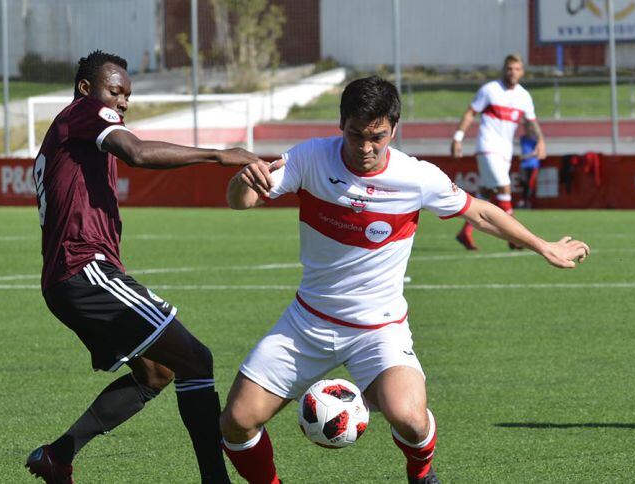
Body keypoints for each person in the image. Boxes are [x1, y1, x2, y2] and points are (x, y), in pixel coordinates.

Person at [221, 76, 589, 484]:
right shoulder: (311, 157)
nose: (365, 147)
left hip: (379, 331)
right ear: (341, 124)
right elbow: (244, 201)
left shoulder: (417, 177)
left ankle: (421, 474)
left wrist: (543, 246)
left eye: (376, 137)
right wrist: (242, 183)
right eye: (355, 135)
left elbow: (481, 212)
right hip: (307, 322)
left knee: (410, 419)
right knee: (236, 422)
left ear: (394, 130)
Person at [24, 50, 261, 484]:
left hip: (69, 279)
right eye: (115, 91)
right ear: (86, 89)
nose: (123, 101)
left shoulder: (70, 129)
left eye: (127, 95)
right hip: (85, 270)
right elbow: (136, 152)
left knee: (156, 372)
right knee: (197, 359)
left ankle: (58, 456)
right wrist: (219, 156)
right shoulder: (84, 112)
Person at [451, 54, 545, 251]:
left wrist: (541, 141)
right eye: (509, 68)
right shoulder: (490, 90)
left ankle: (465, 232)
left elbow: (531, 122)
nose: (513, 72)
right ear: (504, 69)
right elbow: (471, 112)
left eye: (517, 69)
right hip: (487, 147)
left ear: (522, 72)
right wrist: (458, 137)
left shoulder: (524, 96)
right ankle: (515, 237)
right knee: (504, 189)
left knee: (486, 192)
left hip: (505, 151)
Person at [515, 121, 545, 209]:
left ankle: (527, 202)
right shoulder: (523, 138)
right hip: (524, 165)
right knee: (522, 181)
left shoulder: (535, 139)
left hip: (533, 164)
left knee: (530, 184)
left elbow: (537, 151)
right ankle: (524, 201)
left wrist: (526, 156)